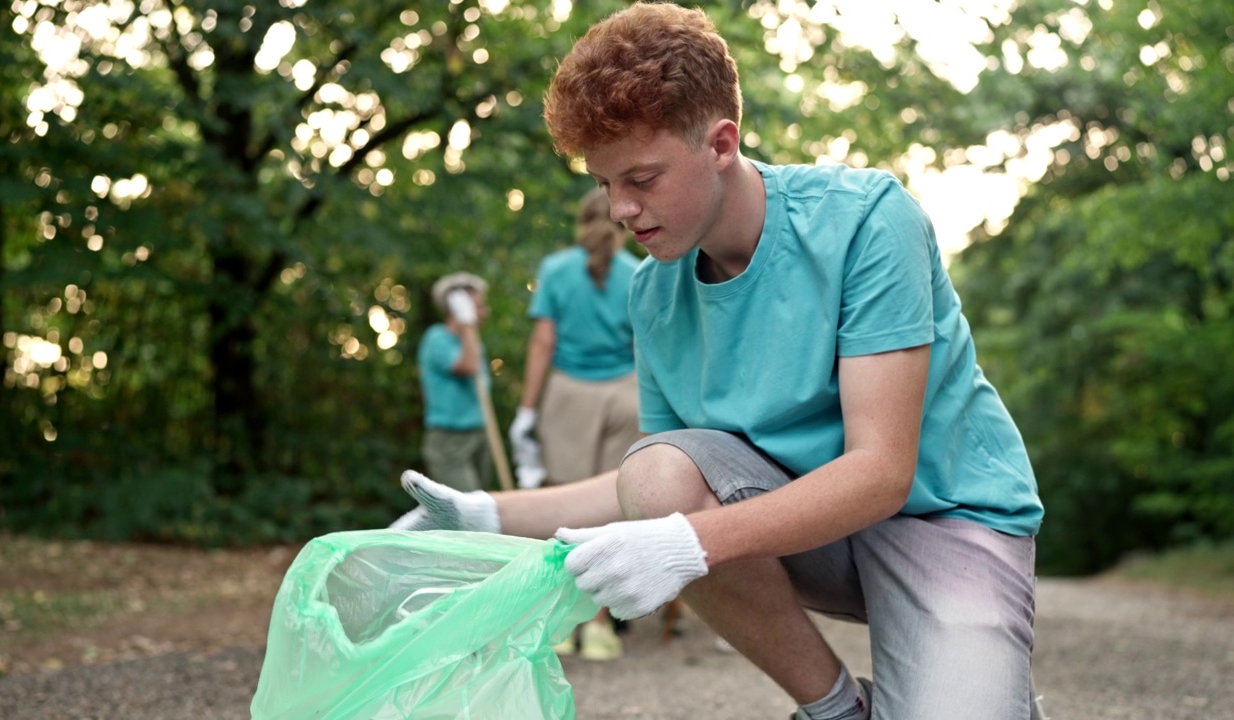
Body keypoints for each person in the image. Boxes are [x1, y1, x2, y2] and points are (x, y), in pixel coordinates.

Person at [393, 4, 1045, 719]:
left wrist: (681, 543)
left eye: (641, 178)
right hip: (803, 533)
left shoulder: (866, 222)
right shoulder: (655, 291)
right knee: (659, 466)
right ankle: (835, 710)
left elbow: (881, 473)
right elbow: (650, 486)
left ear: (722, 143)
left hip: (944, 521)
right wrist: (482, 514)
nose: (619, 209)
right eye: (606, 183)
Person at [508, 187, 643, 661]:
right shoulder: (637, 273)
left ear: (580, 221)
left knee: (562, 508)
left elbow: (543, 343)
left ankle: (562, 625)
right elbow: (647, 346)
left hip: (567, 395)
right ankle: (600, 629)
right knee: (612, 509)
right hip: (627, 395)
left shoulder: (555, 270)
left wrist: (527, 410)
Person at [414, 272, 492, 493]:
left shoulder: (473, 341)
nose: (484, 312)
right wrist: (467, 325)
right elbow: (468, 367)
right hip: (450, 438)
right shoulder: (437, 338)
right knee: (467, 512)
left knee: (481, 502)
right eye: (477, 306)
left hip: (477, 432)